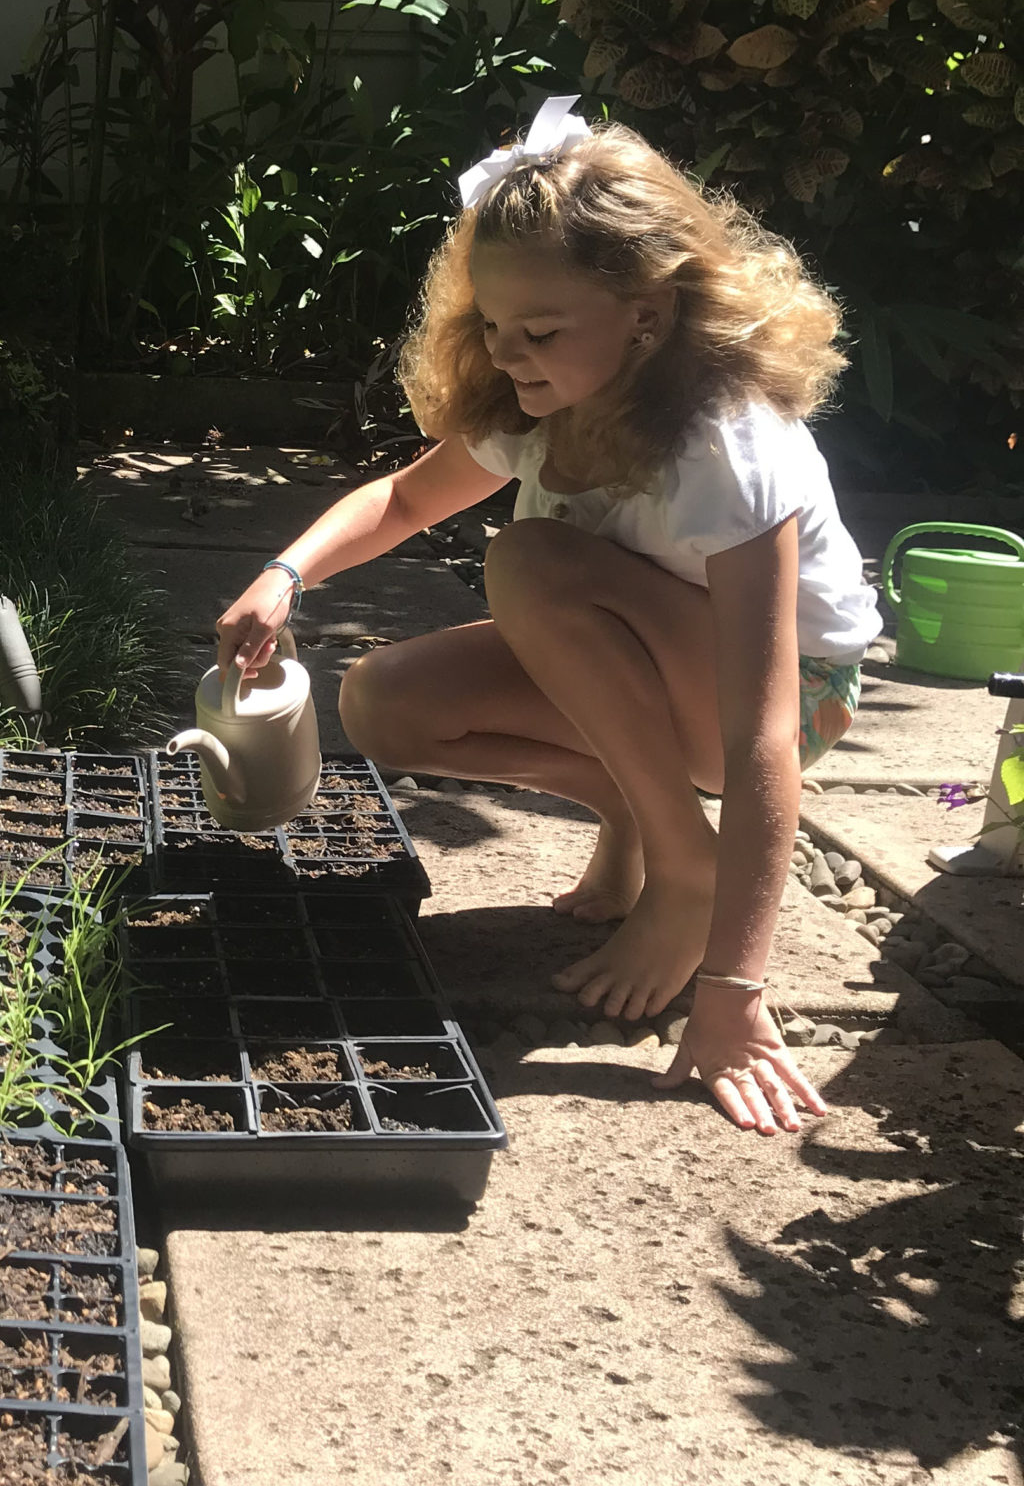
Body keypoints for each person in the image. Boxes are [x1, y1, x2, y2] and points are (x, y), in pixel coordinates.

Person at [214, 102, 881, 1139]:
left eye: (540, 330)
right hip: (657, 665)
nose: (509, 352)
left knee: (528, 561)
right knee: (385, 700)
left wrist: (733, 992)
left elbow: (764, 734)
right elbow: (401, 499)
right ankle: (641, 820)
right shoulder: (539, 404)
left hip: (798, 697)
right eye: (490, 324)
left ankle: (686, 863)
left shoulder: (727, 445)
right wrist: (284, 571)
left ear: (647, 316)